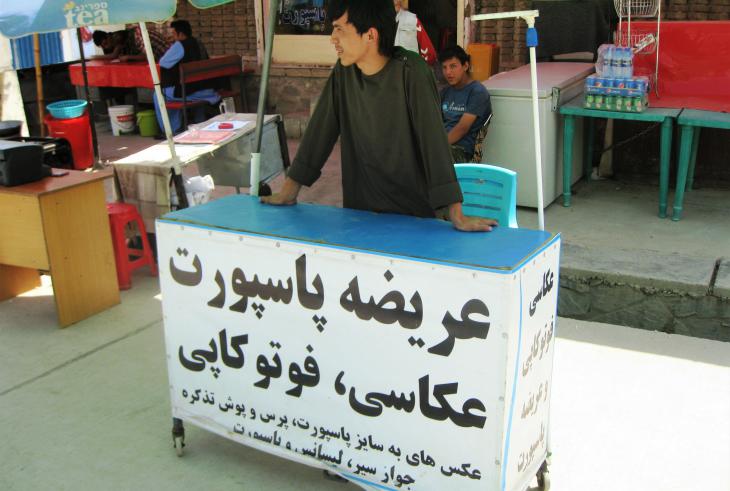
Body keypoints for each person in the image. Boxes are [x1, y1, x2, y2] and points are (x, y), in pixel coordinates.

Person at [262, 0, 495, 232]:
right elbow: (319, 132)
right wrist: (289, 191)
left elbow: (433, 143)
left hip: (411, 215)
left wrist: (456, 214)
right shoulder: (344, 73)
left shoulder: (411, 72)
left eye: (339, 29)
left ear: (370, 35)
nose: (333, 38)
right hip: (359, 212)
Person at [154, 20, 220, 134]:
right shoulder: (198, 43)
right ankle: (199, 120)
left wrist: (173, 47)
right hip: (206, 88)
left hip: (190, 91)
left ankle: (171, 130)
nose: (173, 37)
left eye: (174, 34)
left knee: (159, 94)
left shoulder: (180, 45)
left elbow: (163, 62)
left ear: (181, 34)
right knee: (185, 86)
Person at [439, 45, 492, 163]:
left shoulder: (477, 92)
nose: (448, 72)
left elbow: (462, 128)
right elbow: (435, 121)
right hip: (443, 145)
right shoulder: (445, 91)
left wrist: (437, 147)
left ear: (465, 66)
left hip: (462, 150)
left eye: (453, 66)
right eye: (444, 67)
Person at [393, 0, 436, 65]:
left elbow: (430, 54)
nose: (396, 1)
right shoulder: (376, 24)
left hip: (410, 71)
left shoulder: (412, 20)